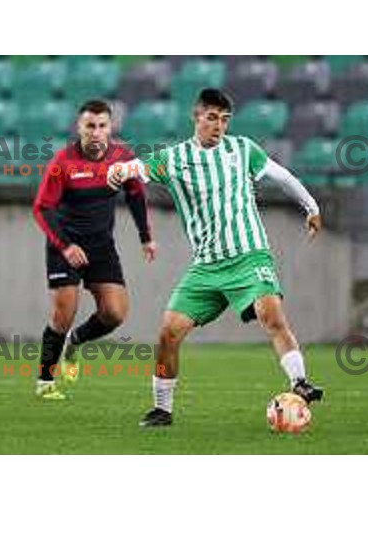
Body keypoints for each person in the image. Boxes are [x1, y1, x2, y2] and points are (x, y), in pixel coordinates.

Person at [107, 88, 323, 426]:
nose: (219, 125)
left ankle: (299, 383)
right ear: (197, 117)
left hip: (250, 255)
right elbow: (137, 167)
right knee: (168, 332)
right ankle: (162, 409)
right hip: (206, 267)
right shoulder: (174, 158)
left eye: (224, 119)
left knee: (271, 314)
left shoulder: (242, 149)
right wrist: (118, 171)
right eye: (211, 118)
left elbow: (282, 176)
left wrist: (311, 206)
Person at [33, 99, 157, 400]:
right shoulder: (63, 162)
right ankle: (45, 381)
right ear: (79, 128)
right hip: (65, 245)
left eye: (102, 126)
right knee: (64, 314)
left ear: (110, 127)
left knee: (114, 313)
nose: (96, 132)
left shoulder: (122, 159)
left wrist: (146, 237)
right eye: (90, 126)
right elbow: (42, 208)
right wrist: (65, 246)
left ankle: (75, 343)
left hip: (101, 246)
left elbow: (136, 195)